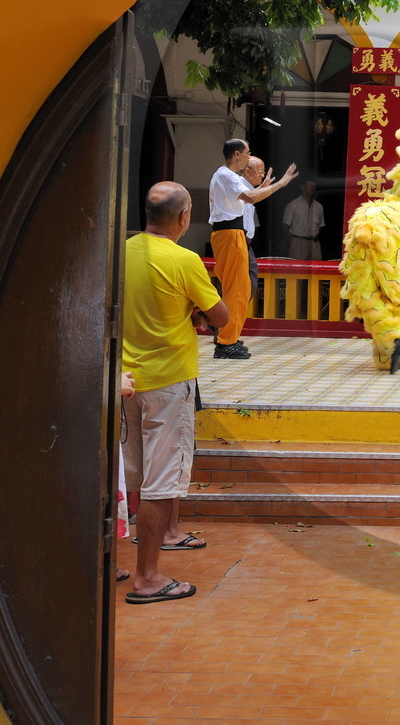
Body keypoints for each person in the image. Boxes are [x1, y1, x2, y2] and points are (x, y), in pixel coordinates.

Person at [121, 181, 229, 604]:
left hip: (125, 382)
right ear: (184, 217)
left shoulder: (123, 252)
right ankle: (147, 578)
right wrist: (196, 308)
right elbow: (220, 315)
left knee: (124, 477)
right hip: (168, 384)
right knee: (161, 483)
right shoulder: (184, 260)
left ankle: (110, 563)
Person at [208, 139, 296, 359]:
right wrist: (280, 184)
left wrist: (265, 188)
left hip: (231, 233)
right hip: (230, 233)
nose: (249, 156)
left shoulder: (226, 176)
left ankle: (227, 336)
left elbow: (247, 199)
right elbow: (249, 197)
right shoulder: (227, 175)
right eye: (247, 152)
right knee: (236, 290)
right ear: (237, 154)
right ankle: (225, 341)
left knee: (241, 288)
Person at [282, 180, 325, 260]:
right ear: (303, 187)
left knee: (316, 266)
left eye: (314, 186)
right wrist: (292, 240)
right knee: (297, 266)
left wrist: (316, 236)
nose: (312, 188)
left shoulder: (319, 206)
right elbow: (285, 225)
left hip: (314, 243)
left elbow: (321, 225)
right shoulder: (293, 205)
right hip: (298, 242)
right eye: (310, 186)